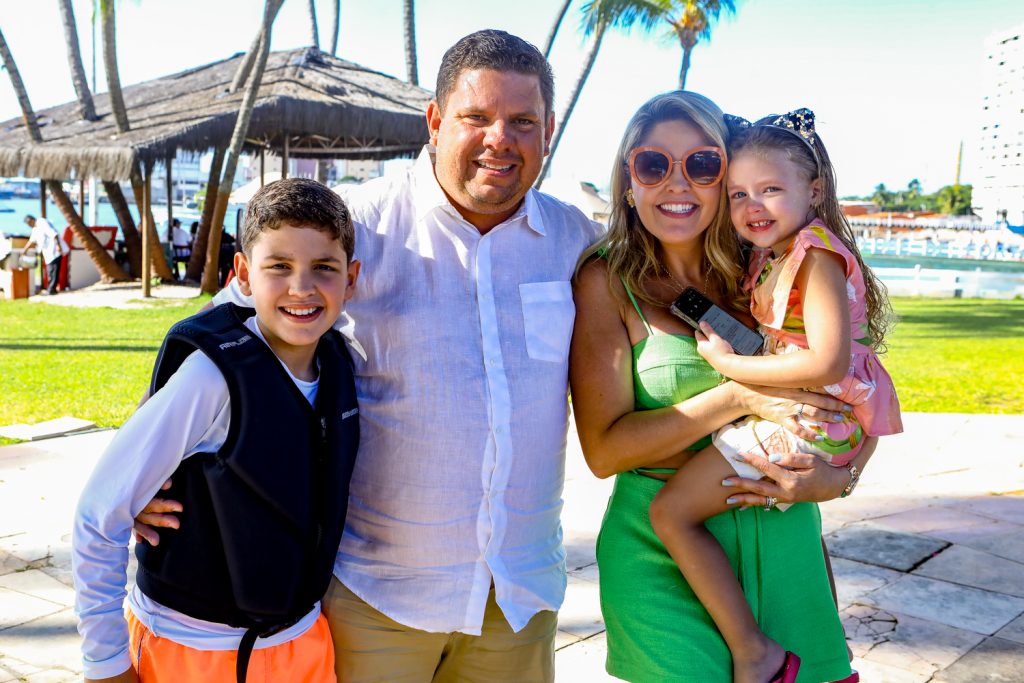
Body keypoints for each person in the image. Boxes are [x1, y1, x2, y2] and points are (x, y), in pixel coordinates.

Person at [136, 30, 603, 683]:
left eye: (522, 121)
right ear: (437, 121)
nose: (501, 137)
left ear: (548, 131)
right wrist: (150, 464)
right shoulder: (355, 224)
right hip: (378, 600)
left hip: (519, 600)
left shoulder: (575, 238)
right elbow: (218, 327)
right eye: (477, 117)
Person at [570, 91, 872, 682]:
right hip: (662, 553)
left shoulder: (768, 270)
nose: (676, 183)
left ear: (724, 176)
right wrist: (736, 395)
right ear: (629, 179)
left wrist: (842, 478)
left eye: (702, 165)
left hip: (787, 540)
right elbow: (604, 452)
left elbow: (858, 383)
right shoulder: (606, 281)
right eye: (653, 164)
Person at [642, 108, 903, 683]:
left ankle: (753, 651)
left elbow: (829, 360)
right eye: (737, 195)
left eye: (769, 190)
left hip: (805, 419)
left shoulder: (815, 258)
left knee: (671, 512)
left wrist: (730, 366)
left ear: (813, 191)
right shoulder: (776, 255)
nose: (752, 207)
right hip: (818, 419)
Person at [73, 178, 361, 683]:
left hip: (302, 642)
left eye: (324, 268)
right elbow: (99, 515)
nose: (301, 287)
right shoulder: (213, 377)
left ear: (351, 279)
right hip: (191, 650)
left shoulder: (340, 363)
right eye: (279, 267)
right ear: (244, 275)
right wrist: (105, 664)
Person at [22, 214, 69, 294]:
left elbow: (54, 233)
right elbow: (31, 240)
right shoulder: (35, 229)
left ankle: (52, 289)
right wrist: (25, 250)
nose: (29, 225)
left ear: (32, 220)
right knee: (50, 271)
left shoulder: (42, 222)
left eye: (29, 223)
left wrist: (58, 245)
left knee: (54, 270)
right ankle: (51, 289)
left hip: (55, 250)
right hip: (48, 253)